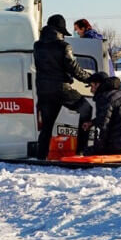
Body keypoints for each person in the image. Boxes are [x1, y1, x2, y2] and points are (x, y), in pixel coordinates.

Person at [33, 14, 94, 159]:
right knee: (86, 109)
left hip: (43, 90)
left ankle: (41, 157)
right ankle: (80, 151)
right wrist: (91, 79)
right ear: (60, 31)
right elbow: (75, 69)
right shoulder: (63, 46)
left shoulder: (37, 45)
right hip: (61, 89)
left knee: (47, 126)